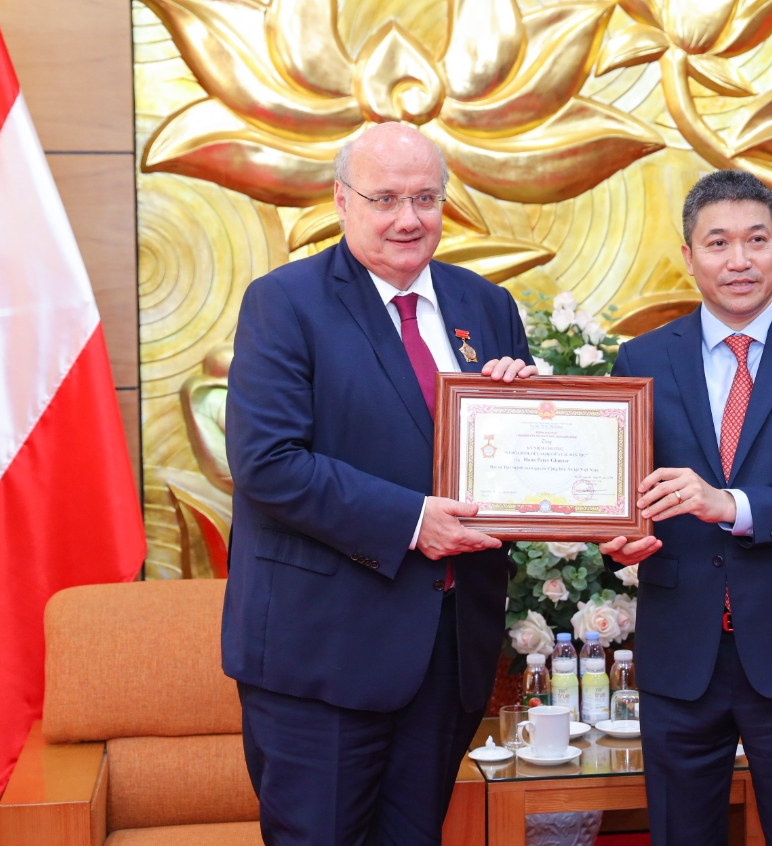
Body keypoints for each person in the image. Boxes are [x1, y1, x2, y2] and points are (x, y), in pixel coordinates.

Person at [221, 122, 536, 845]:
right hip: (322, 656)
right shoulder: (285, 303)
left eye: (426, 198)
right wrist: (412, 520)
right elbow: (268, 462)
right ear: (341, 200)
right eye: (386, 197)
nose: (408, 218)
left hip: (447, 651)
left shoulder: (486, 307)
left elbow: (508, 468)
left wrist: (525, 406)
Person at [602, 169, 772, 846]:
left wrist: (730, 504)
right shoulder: (641, 358)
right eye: (718, 242)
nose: (738, 260)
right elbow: (620, 492)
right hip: (680, 652)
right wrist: (617, 537)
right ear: (688, 257)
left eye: (755, 240)